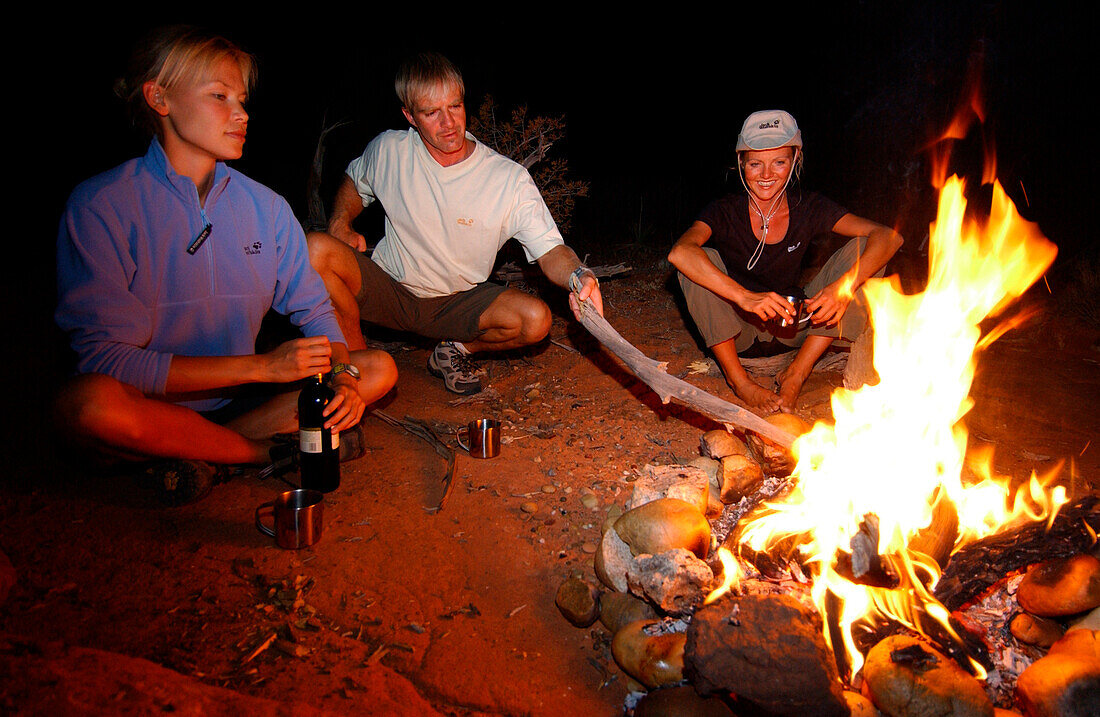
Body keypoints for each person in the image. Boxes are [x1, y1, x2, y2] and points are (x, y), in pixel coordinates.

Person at [54, 26, 397, 504]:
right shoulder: (103, 205)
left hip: (240, 407)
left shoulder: (265, 207)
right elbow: (107, 359)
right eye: (219, 96)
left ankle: (203, 453)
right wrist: (260, 368)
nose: (241, 114)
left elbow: (316, 312)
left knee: (376, 368)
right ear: (160, 98)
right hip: (149, 409)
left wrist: (343, 378)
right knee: (88, 403)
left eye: (241, 99)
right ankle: (259, 454)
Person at [307, 52, 603, 395]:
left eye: (455, 106)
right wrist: (341, 221)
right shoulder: (389, 150)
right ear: (410, 116)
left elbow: (551, 250)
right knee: (316, 249)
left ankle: (453, 350)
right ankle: (356, 375)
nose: (448, 123)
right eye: (432, 113)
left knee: (535, 320)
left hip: (455, 302)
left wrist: (579, 275)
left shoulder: (506, 178)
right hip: (391, 288)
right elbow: (355, 181)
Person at [668, 110, 903, 414]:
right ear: (742, 163)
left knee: (865, 251)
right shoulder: (725, 210)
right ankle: (740, 381)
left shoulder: (809, 206)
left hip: (796, 327)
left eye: (779, 162)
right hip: (740, 331)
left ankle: (796, 374)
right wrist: (745, 297)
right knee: (700, 259)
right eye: (755, 164)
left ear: (794, 161)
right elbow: (679, 252)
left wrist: (843, 287)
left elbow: (888, 237)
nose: (766, 175)